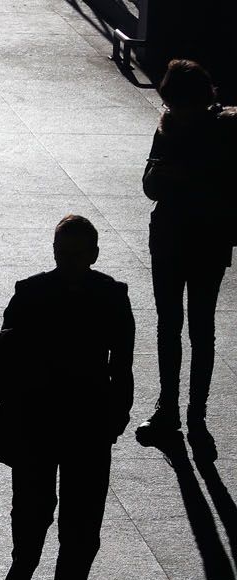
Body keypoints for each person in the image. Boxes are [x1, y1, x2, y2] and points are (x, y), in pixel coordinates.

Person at [0, 216, 135, 580]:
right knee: (36, 511)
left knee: (80, 525)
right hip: (44, 419)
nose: (70, 263)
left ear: (92, 254)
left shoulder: (104, 297)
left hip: (81, 423)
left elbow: (123, 366)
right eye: (64, 255)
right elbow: (7, 357)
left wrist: (115, 418)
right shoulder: (41, 293)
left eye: (77, 255)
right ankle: (24, 564)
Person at [136, 58, 237, 453]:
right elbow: (148, 182)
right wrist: (162, 177)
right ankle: (171, 408)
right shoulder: (168, 126)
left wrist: (187, 177)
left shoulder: (226, 131)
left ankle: (194, 413)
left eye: (178, 104)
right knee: (171, 324)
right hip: (170, 235)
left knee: (199, 327)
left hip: (207, 237)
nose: (172, 111)